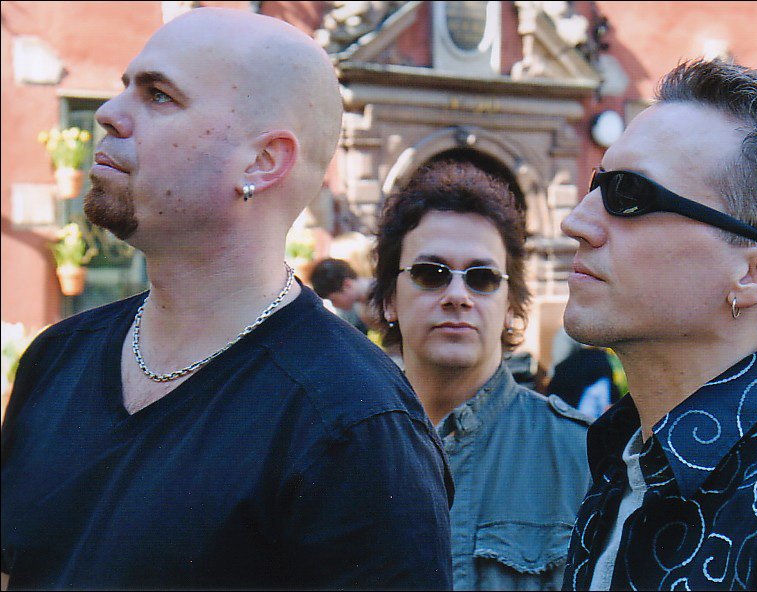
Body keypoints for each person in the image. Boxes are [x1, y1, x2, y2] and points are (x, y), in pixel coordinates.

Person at [1, 8, 452, 590]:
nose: (109, 113)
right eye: (124, 88)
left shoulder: (353, 422)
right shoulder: (59, 357)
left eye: (159, 96)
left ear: (264, 162)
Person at [560, 59, 757, 591]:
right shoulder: (625, 463)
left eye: (628, 195)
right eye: (596, 183)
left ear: (756, 273)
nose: (576, 222)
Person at [371, 161, 593, 590]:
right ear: (389, 300)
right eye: (430, 274)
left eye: (483, 277)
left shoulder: (581, 457)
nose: (457, 296)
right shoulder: (340, 448)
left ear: (510, 304)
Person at [310, 257, 373, 333]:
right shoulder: (357, 309)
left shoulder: (380, 296)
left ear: (347, 285)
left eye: (333, 300)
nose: (334, 305)